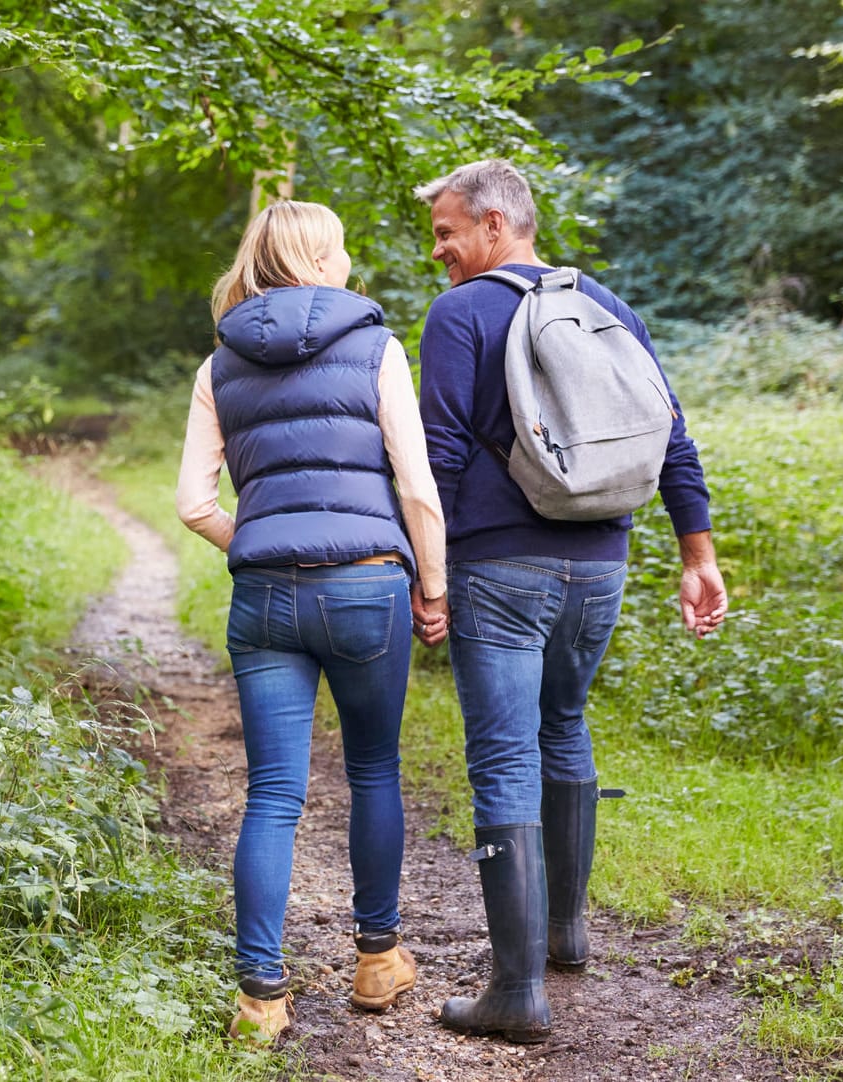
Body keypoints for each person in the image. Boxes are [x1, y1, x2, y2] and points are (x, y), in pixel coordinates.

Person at [410, 159, 728, 1044]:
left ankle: (514, 993)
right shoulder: (604, 306)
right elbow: (671, 436)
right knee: (564, 724)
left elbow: (435, 455)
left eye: (446, 233)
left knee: (502, 755)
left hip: (498, 569)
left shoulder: (460, 313)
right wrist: (694, 555)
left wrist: (422, 576)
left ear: (495, 225)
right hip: (600, 565)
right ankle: (564, 937)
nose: (438, 252)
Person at [176, 199, 449, 1042]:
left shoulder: (219, 363)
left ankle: (259, 998)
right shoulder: (374, 345)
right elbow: (415, 486)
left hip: (263, 598)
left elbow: (192, 504)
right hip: (366, 586)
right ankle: (376, 961)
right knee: (371, 769)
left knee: (273, 794)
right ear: (326, 258)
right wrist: (430, 585)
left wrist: (251, 540)